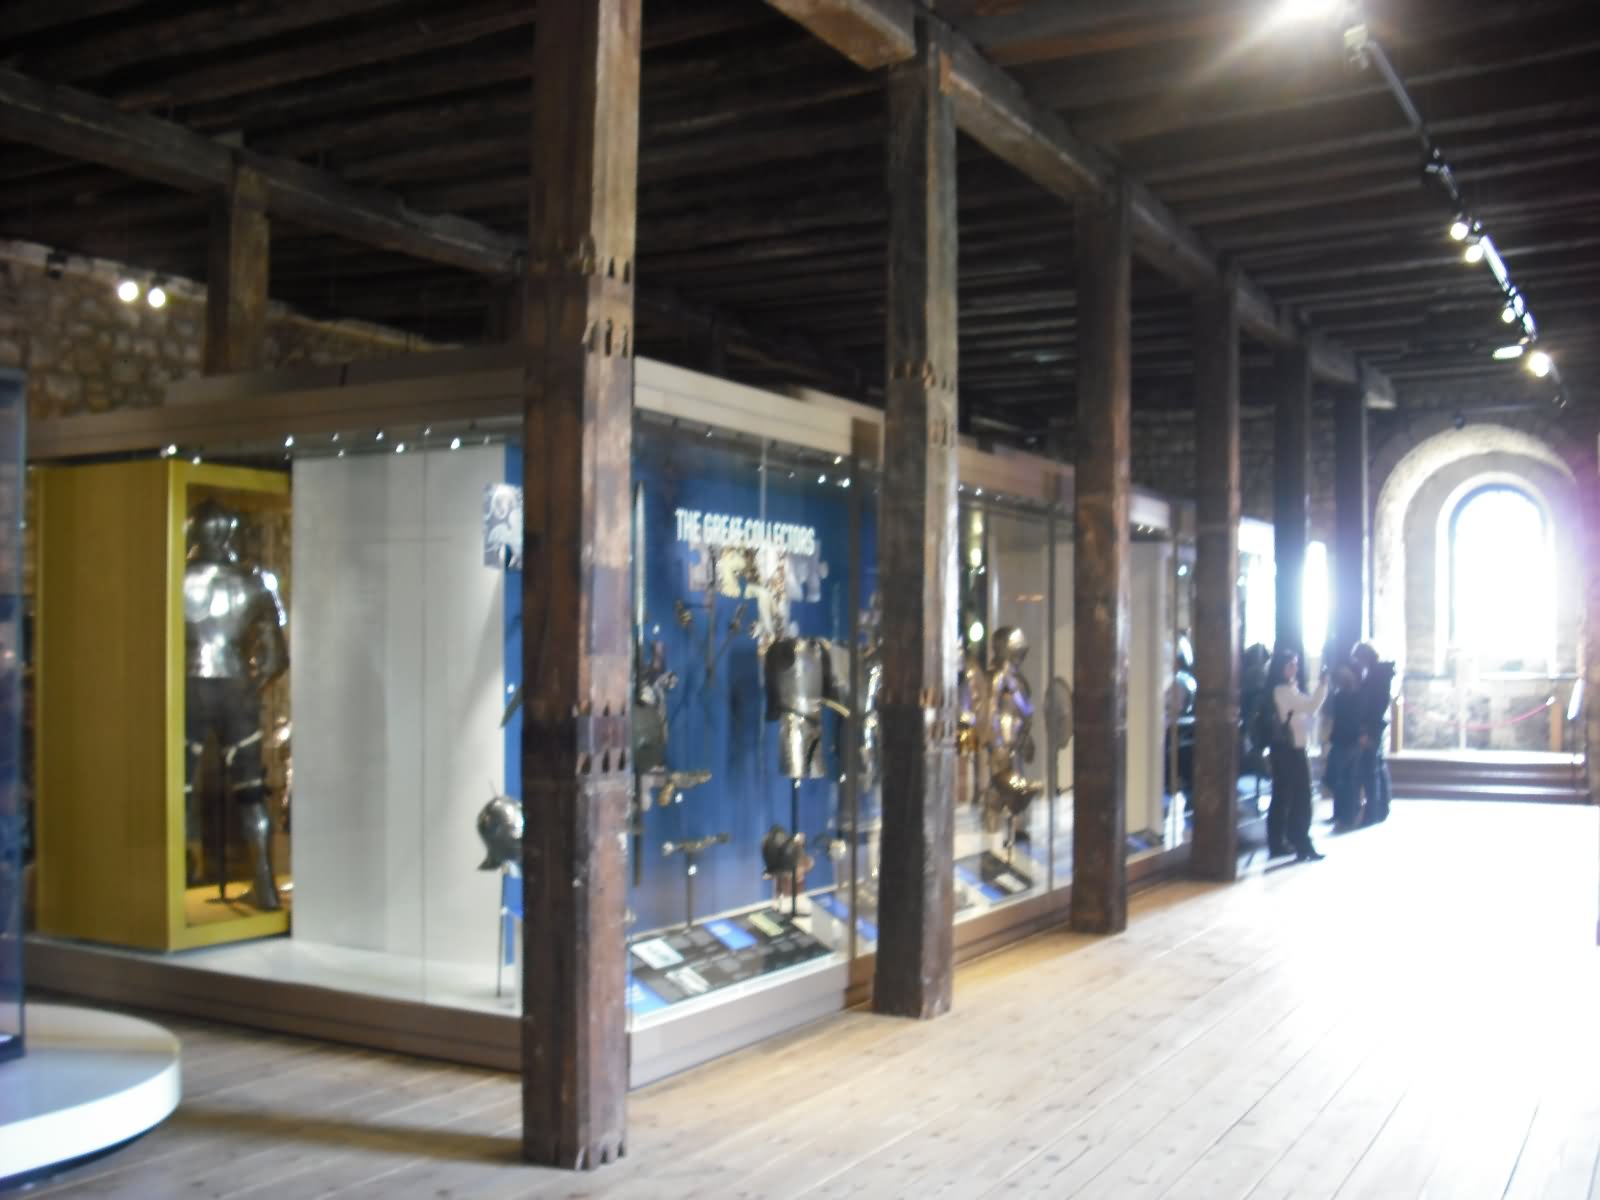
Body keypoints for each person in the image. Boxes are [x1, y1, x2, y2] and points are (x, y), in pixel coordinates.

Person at [1267, 648, 1328, 862]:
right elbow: (1310, 706)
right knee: (1300, 796)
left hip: (1286, 748)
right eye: (1290, 664)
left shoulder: (1285, 689)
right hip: (1291, 749)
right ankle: (1300, 841)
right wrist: (1322, 685)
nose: (1295, 667)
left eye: (1295, 663)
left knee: (1284, 796)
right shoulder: (1282, 691)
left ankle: (1283, 841)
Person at [1351, 642, 1396, 826]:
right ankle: (1381, 808)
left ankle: (1373, 812)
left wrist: (1365, 730)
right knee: (1377, 767)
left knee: (1371, 771)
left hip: (1372, 727)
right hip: (1376, 726)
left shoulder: (1375, 677)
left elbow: (1373, 706)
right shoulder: (1380, 675)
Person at [1323, 663, 1362, 829]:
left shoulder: (1344, 697)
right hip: (1347, 739)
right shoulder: (1352, 696)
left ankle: (1345, 815)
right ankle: (1344, 814)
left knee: (1345, 780)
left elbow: (1338, 719)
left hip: (1345, 740)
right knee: (1344, 780)